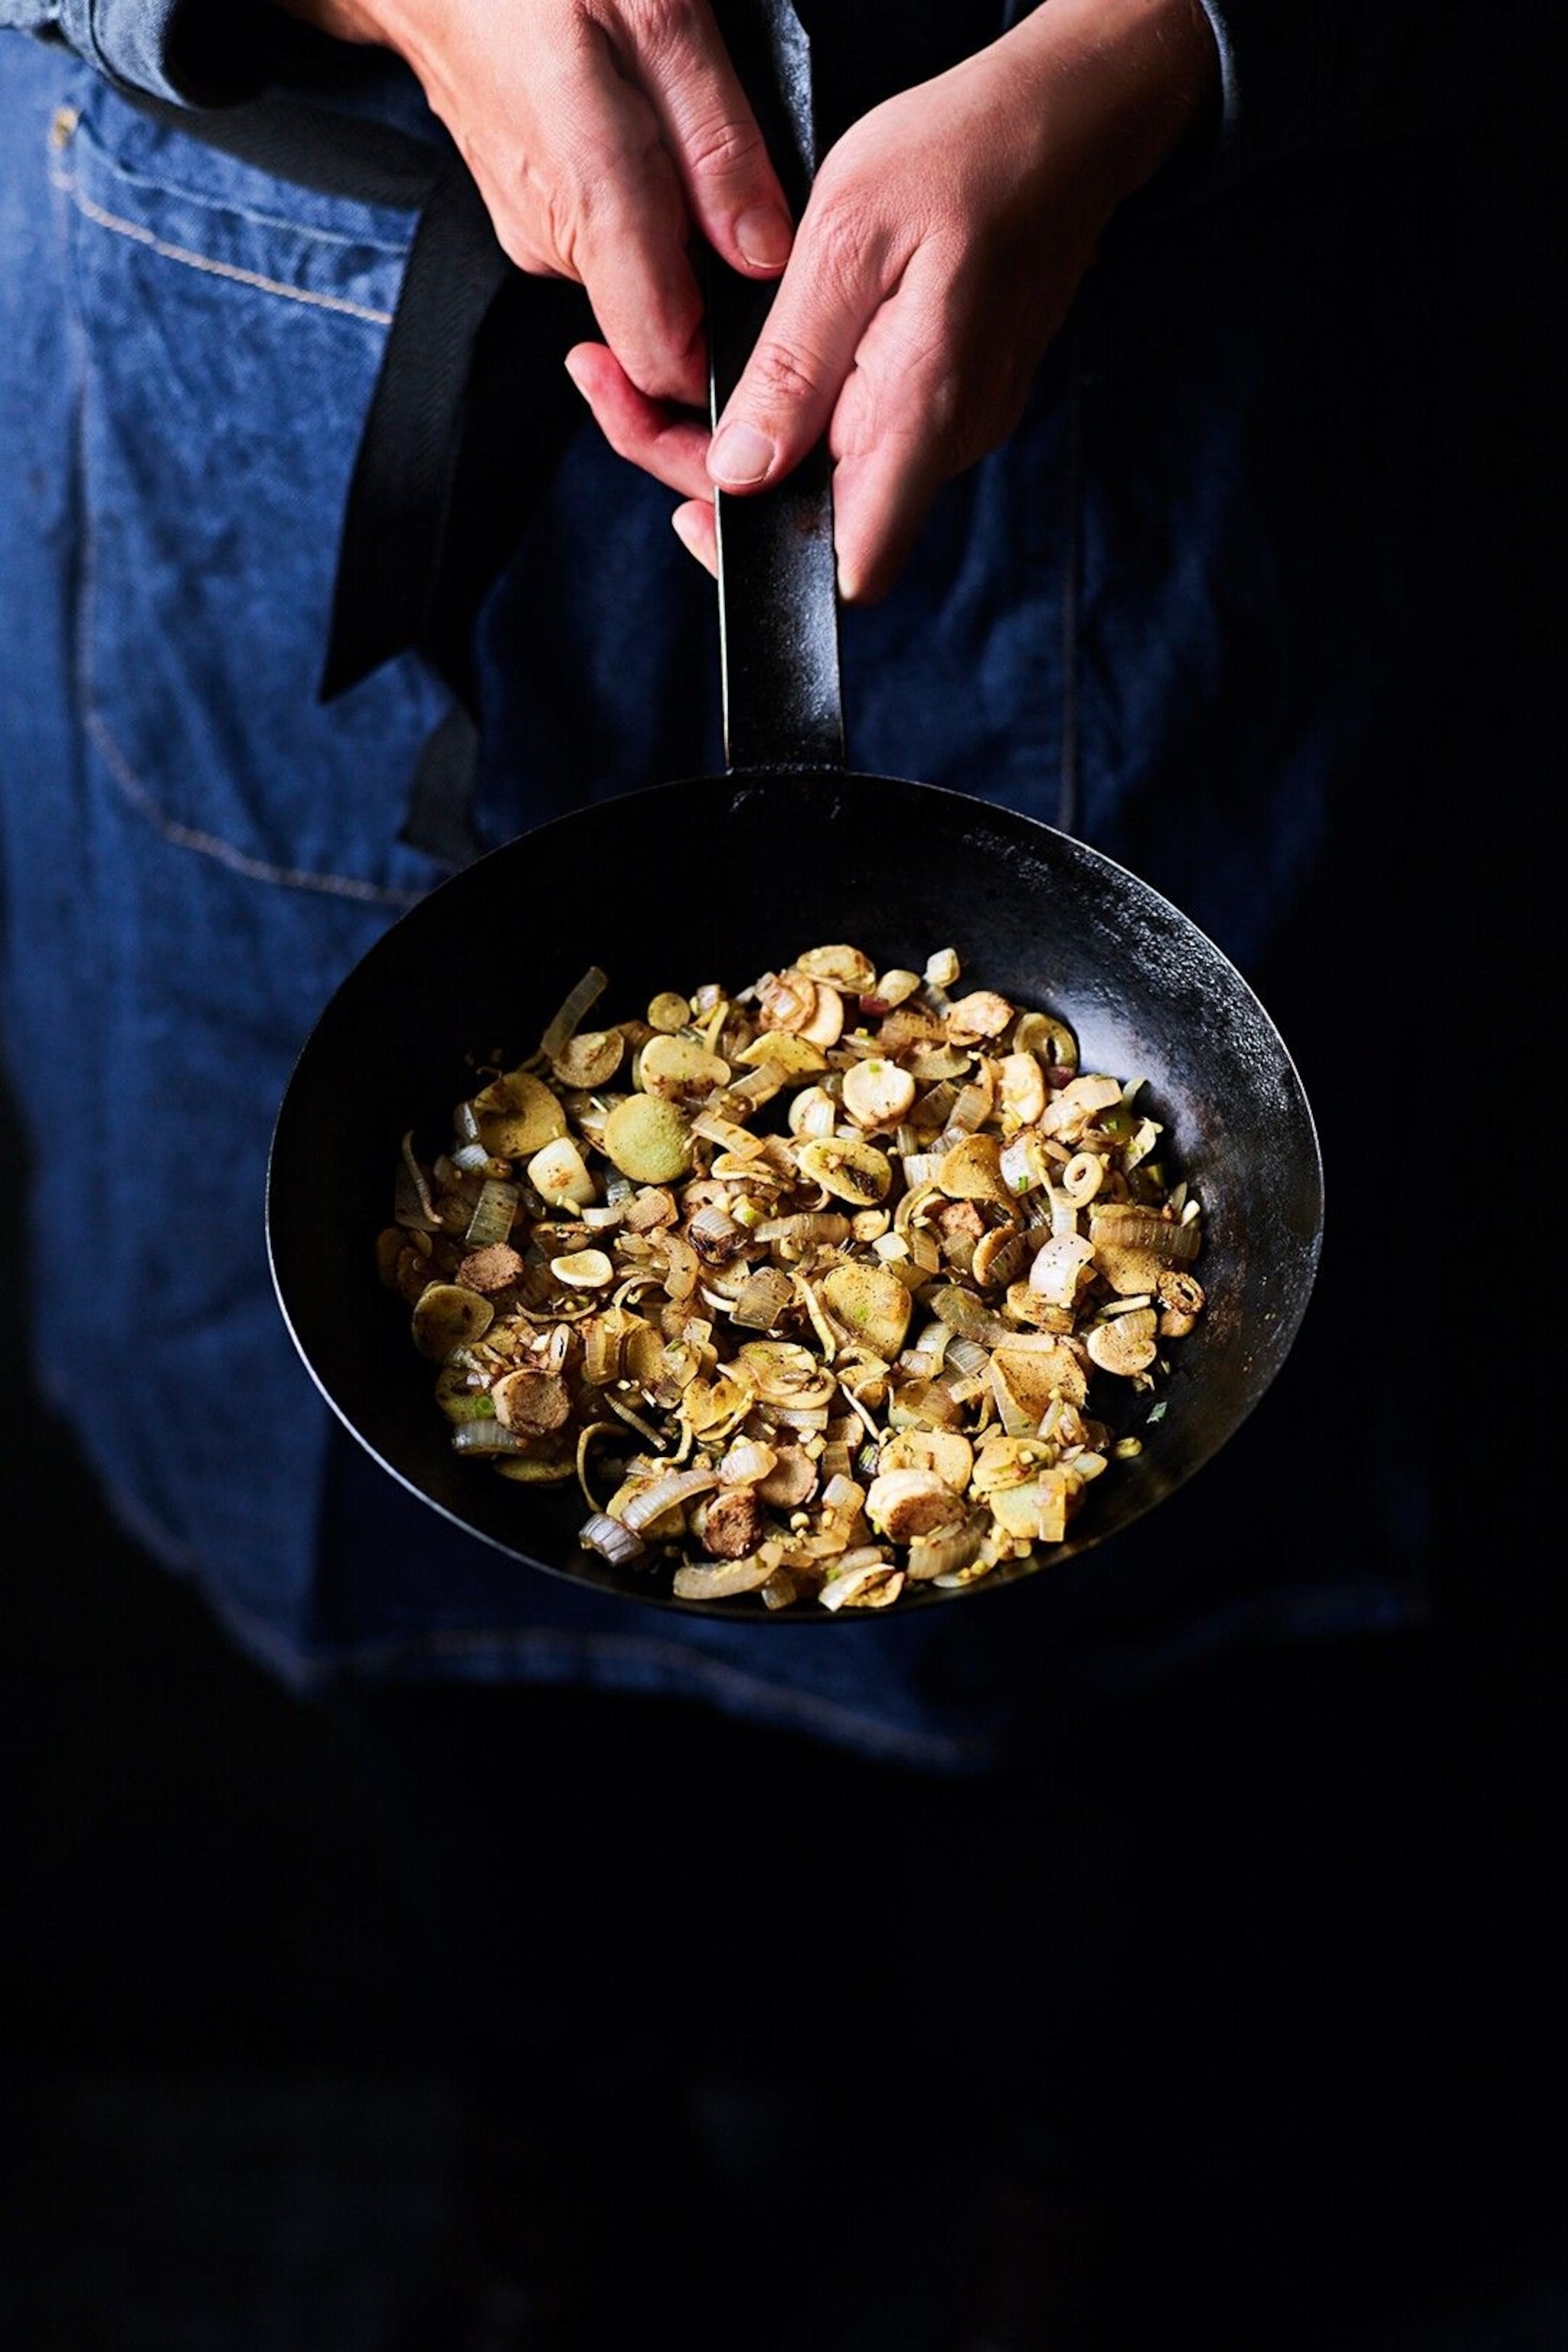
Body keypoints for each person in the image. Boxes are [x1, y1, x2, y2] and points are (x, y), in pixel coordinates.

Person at [0, 2, 1537, 2344]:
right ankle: (563, 2135)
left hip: (1194, 343)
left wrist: (1157, 48)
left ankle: (1085, 2183)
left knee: (1180, 1579)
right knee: (395, 1518)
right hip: (286, 317)